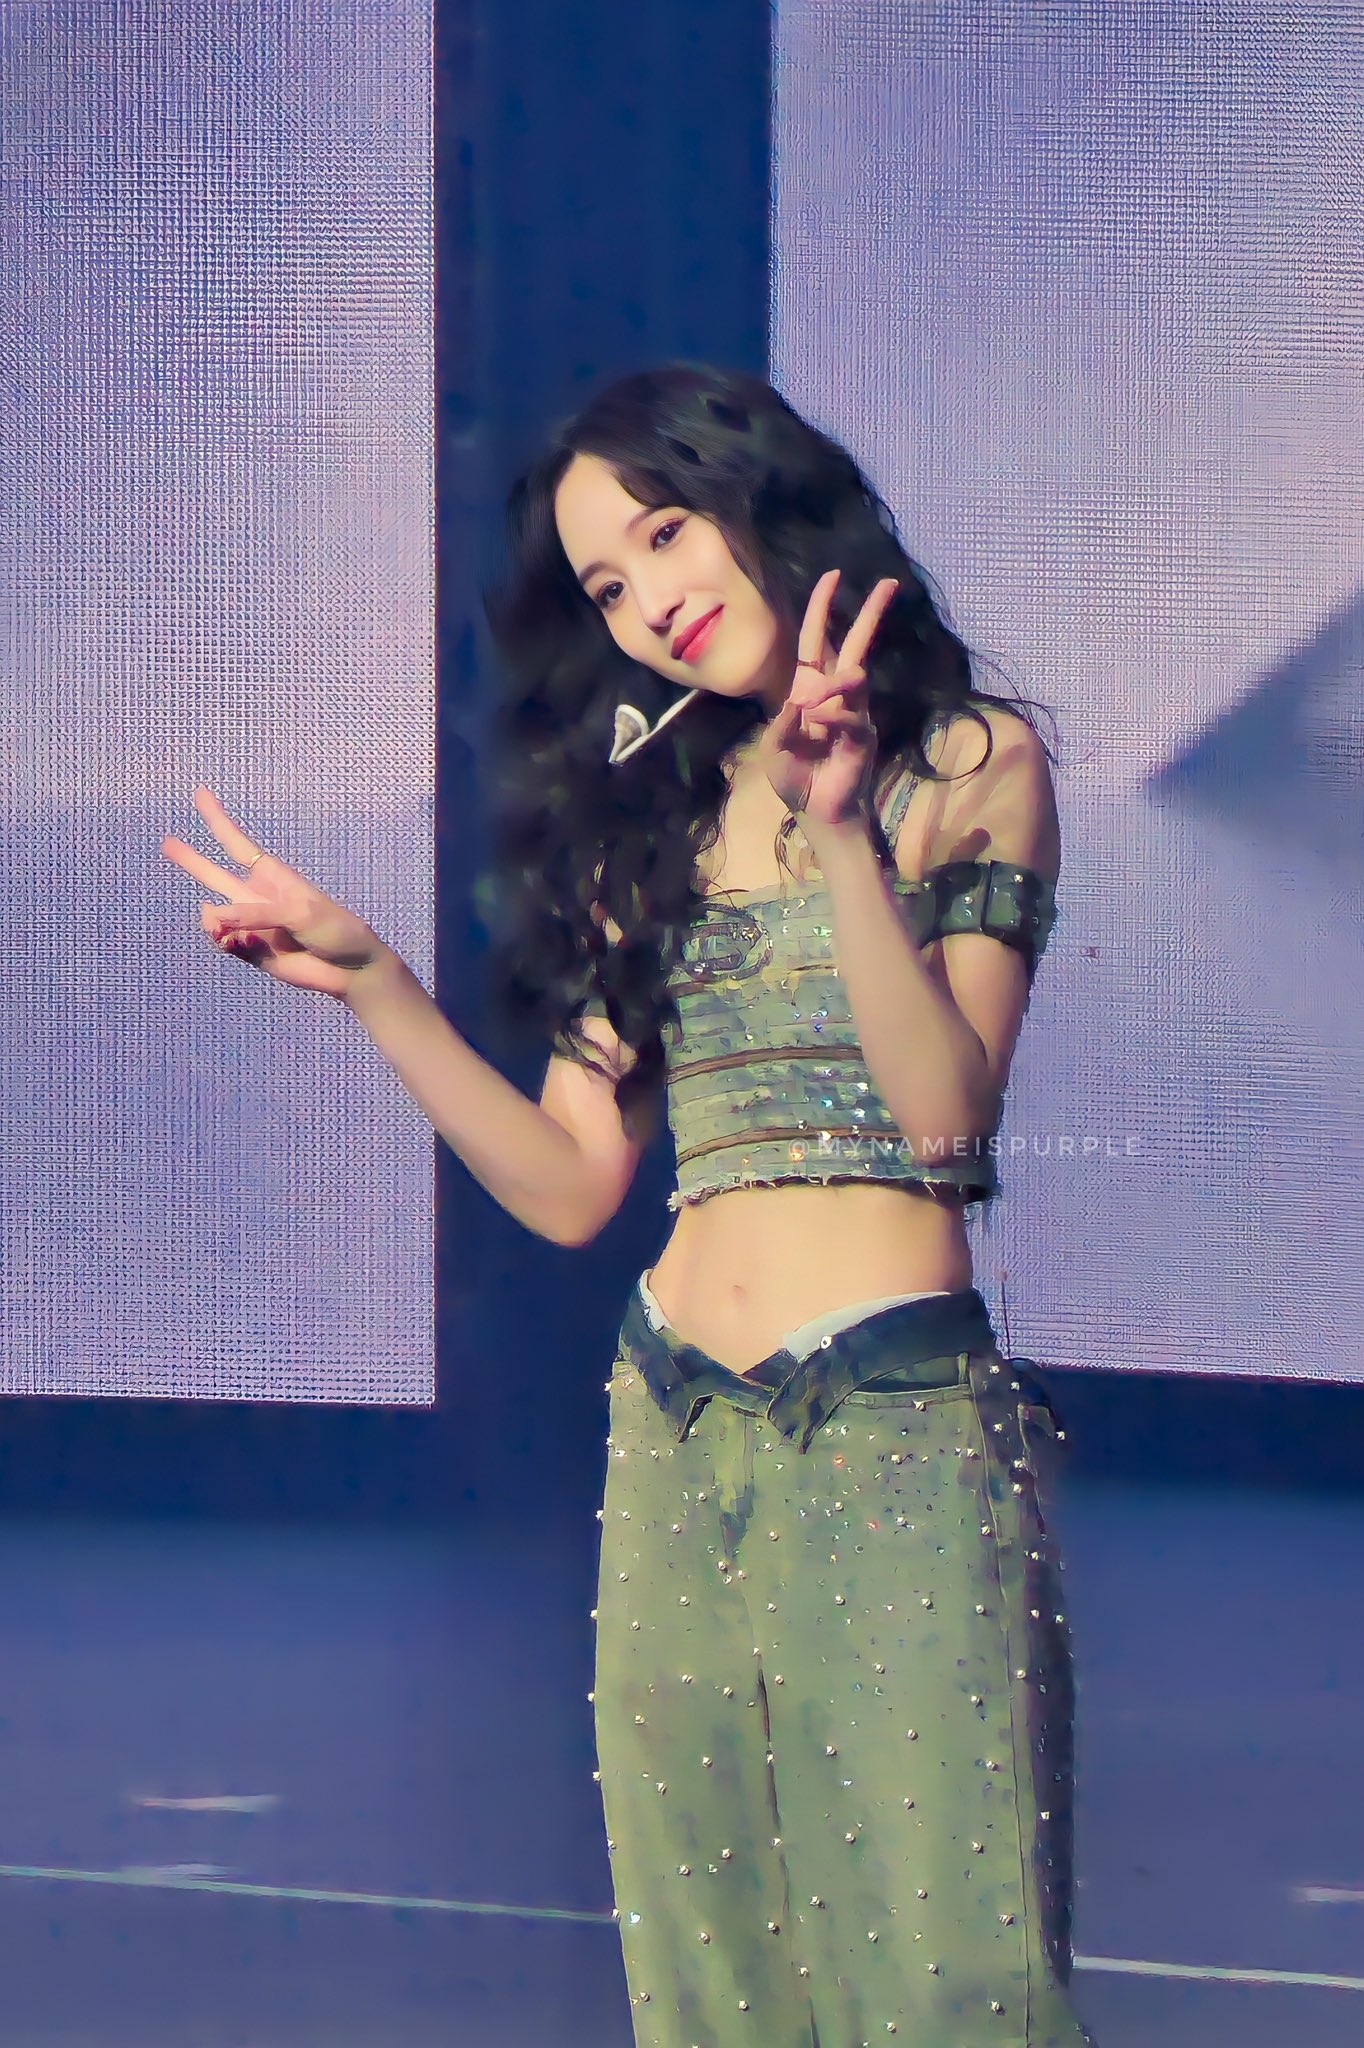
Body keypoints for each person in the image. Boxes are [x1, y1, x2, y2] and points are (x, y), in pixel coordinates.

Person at [163, 362, 1094, 2047]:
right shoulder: (647, 807)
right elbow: (575, 1180)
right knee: (713, 1968)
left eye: (666, 536)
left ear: (761, 500)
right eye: (607, 585)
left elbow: (946, 1123)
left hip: (886, 1430)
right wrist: (377, 985)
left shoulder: (968, 759)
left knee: (947, 1976)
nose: (651, 602)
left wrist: (841, 836)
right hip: (671, 1420)